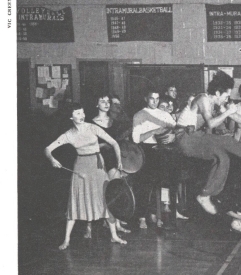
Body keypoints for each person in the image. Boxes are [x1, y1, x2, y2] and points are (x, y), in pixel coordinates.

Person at [174, 70, 241, 215]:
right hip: (185, 138)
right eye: (226, 95)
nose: (227, 99)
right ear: (218, 93)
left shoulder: (216, 102)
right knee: (225, 140)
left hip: (195, 136)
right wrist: (227, 112)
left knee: (223, 158)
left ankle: (205, 195)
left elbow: (234, 115)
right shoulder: (203, 99)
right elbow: (211, 124)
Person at [44, 103, 127, 250]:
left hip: (97, 165)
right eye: (77, 113)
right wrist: (52, 159)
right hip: (80, 168)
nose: (81, 116)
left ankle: (114, 236)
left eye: (82, 113)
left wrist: (119, 161)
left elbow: (114, 143)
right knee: (76, 201)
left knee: (105, 199)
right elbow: (47, 149)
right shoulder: (68, 134)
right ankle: (67, 240)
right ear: (71, 117)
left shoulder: (92, 127)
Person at [132, 89, 177, 229]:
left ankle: (155, 214)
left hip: (163, 151)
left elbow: (176, 129)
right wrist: (153, 132)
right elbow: (136, 139)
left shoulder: (164, 114)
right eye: (152, 98)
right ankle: (141, 217)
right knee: (145, 186)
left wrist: (173, 136)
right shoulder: (139, 115)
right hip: (146, 151)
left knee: (160, 184)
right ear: (146, 99)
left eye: (157, 99)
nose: (155, 101)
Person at [88, 94, 131, 236]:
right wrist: (103, 144)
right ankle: (96, 224)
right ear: (96, 104)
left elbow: (118, 143)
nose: (106, 104)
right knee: (99, 192)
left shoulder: (115, 122)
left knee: (116, 190)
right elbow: (87, 144)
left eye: (108, 102)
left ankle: (117, 224)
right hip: (97, 159)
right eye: (102, 101)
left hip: (112, 159)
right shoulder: (90, 123)